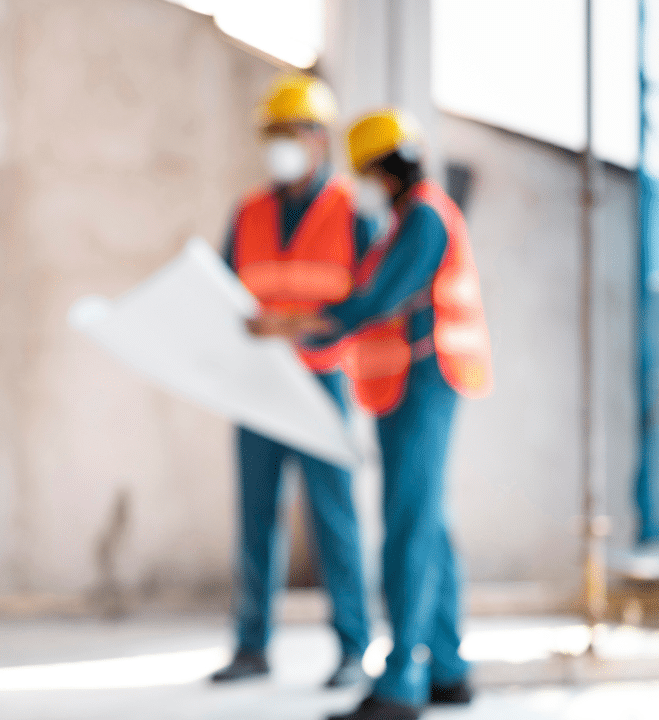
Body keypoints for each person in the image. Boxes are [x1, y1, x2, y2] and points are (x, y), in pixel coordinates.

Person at [304, 109, 492, 720]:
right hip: (413, 384)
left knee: (408, 526)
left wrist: (312, 325)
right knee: (428, 524)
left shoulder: (423, 220)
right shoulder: (412, 219)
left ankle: (401, 680)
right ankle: (447, 668)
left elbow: (382, 298)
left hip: (422, 383)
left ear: (376, 171)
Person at [210, 72, 374, 689]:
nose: (278, 144)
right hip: (257, 386)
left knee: (335, 519)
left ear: (319, 139)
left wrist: (303, 328)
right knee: (255, 518)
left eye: (289, 132)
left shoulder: (351, 212)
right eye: (270, 134)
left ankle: (354, 649)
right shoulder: (249, 211)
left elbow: (368, 303)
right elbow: (225, 291)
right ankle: (251, 647)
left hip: (322, 382)